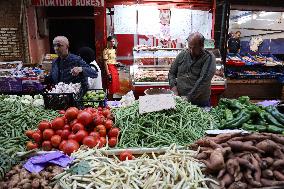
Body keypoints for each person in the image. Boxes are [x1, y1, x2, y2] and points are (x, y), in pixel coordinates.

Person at [168, 32, 216, 107]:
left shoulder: (208, 57)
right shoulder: (182, 54)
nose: (191, 51)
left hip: (199, 101)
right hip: (180, 98)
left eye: (194, 48)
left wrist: (188, 98)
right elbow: (171, 73)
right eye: (190, 47)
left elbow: (203, 80)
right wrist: (174, 89)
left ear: (202, 46)